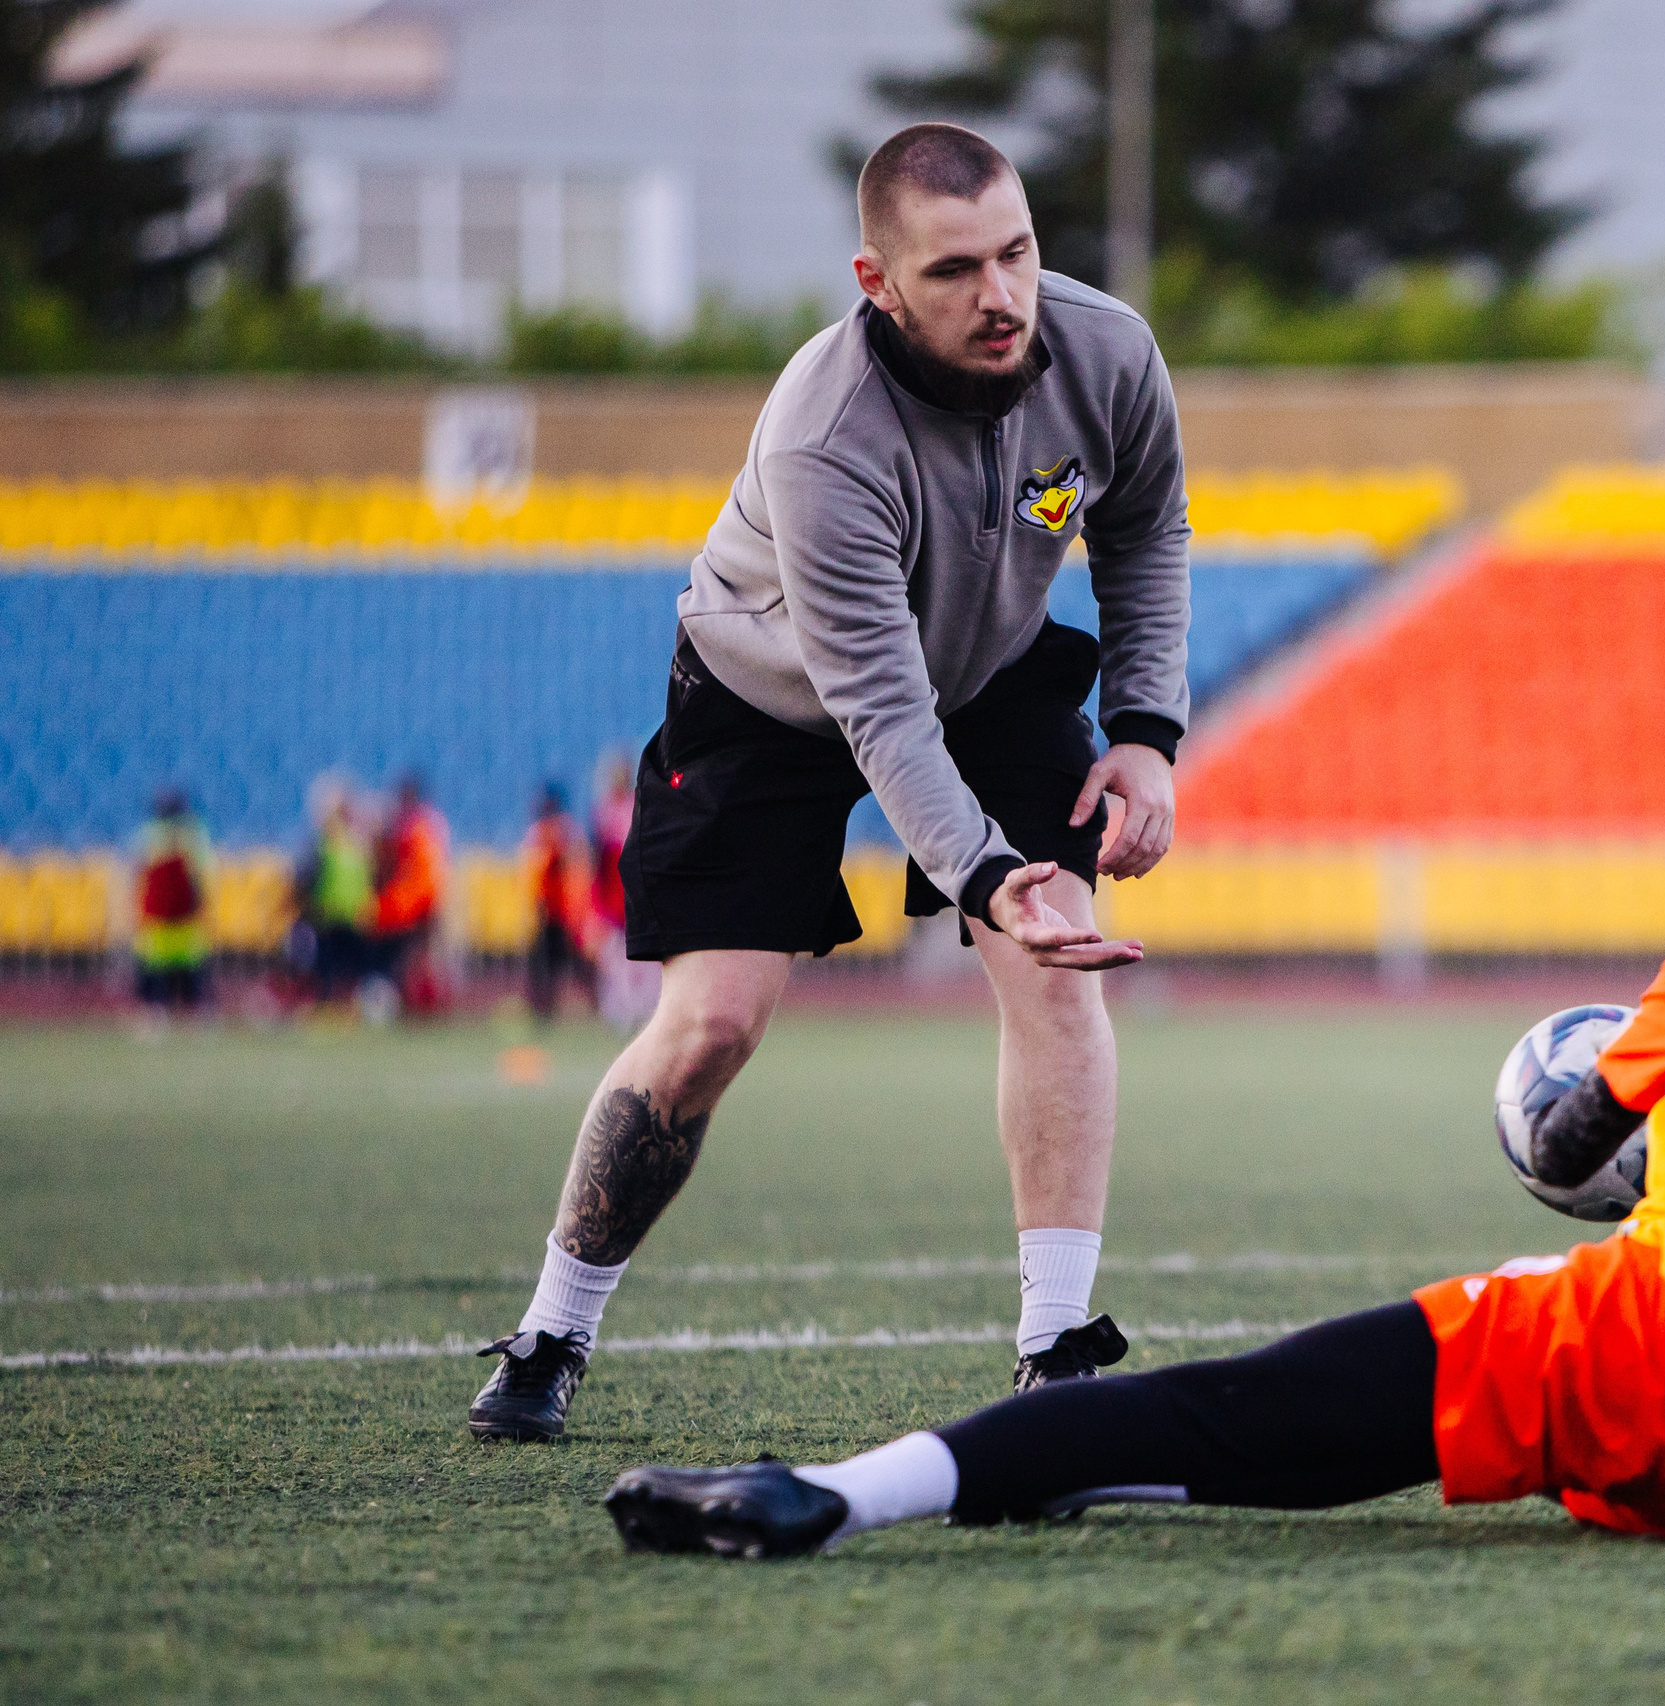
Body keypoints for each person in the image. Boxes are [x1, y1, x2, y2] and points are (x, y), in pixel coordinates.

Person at [601, 754, 1665, 1555]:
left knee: (1237, 1413)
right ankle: (1049, 1469)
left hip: (1651, 1357)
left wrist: (1655, 1132)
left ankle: (842, 1491)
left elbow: (1569, 1139)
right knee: (1538, 1385)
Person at [467, 121, 1189, 1442]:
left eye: (1019, 252)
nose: (1002, 295)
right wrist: (985, 872)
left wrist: (1146, 726)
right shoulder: (824, 435)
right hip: (775, 691)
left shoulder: (1109, 353)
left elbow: (1144, 525)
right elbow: (880, 709)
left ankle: (1058, 1354)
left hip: (991, 666)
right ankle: (552, 1327)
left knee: (1057, 960)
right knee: (712, 1025)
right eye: (956, 269)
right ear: (878, 282)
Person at [587, 751, 660, 1032]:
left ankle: (648, 1011)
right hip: (616, 902)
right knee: (618, 960)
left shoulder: (638, 807)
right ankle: (622, 1012)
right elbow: (599, 865)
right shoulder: (604, 813)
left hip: (638, 898)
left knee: (647, 961)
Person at [372, 775, 450, 1016]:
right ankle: (421, 1003)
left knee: (410, 955)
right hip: (425, 898)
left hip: (412, 902)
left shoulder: (409, 825)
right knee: (419, 954)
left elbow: (391, 861)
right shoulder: (432, 822)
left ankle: (416, 1002)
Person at [132, 788, 213, 1018]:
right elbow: (201, 873)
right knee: (185, 965)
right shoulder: (193, 834)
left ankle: (157, 1007)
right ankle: (193, 1007)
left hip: (163, 912)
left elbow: (139, 874)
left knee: (161, 964)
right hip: (178, 912)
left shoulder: (149, 835)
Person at [295, 784, 374, 1009]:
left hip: (328, 914)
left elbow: (308, 877)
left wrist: (304, 905)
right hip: (354, 915)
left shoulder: (325, 841)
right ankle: (352, 1005)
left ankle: (328, 1003)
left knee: (327, 967)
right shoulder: (359, 842)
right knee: (351, 967)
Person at [525, 783, 596, 1024]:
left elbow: (575, 871)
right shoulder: (543, 833)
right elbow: (535, 873)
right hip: (549, 912)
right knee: (545, 963)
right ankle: (544, 1010)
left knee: (576, 962)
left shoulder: (564, 832)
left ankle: (596, 1004)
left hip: (566, 912)